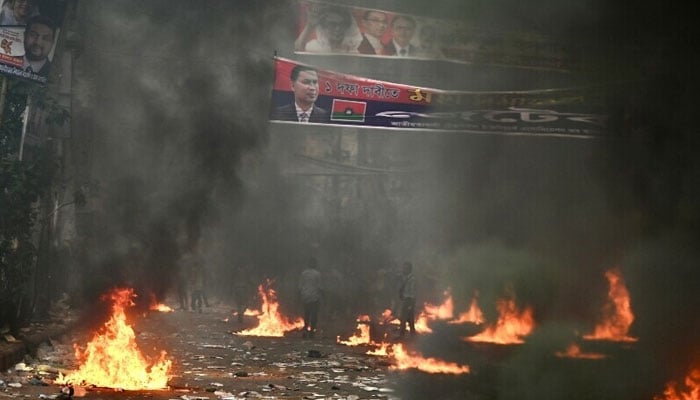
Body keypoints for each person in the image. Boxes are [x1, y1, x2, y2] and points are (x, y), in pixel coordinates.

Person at [294, 4, 360, 53]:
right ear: (324, 26)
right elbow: (296, 50)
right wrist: (310, 26)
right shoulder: (314, 46)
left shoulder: (353, 51)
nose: (338, 29)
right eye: (333, 24)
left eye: (342, 24)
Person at [298, 256, 322, 338]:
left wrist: (300, 296)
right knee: (314, 315)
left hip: (305, 296)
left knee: (307, 314)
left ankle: (305, 330)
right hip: (314, 297)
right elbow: (319, 287)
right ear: (315, 264)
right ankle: (312, 332)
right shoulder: (317, 274)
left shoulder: (304, 273)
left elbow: (300, 286)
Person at [398, 261, 416, 337]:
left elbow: (412, 292)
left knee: (403, 317)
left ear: (408, 269)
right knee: (410, 317)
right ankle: (412, 333)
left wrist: (411, 302)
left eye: (404, 268)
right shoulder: (406, 278)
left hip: (409, 300)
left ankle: (402, 334)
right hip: (407, 299)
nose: (402, 270)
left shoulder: (412, 279)